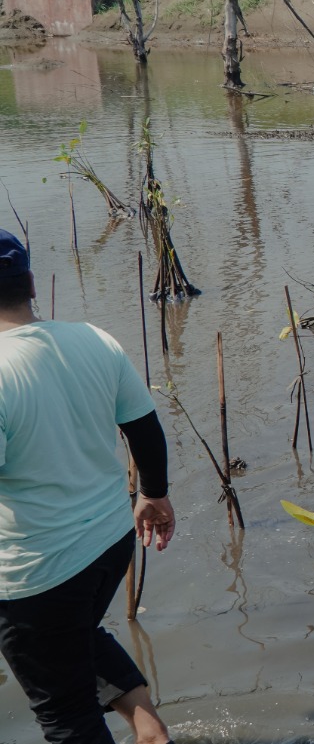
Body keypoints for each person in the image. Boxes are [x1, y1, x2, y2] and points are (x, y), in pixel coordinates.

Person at [0, 227, 176, 744]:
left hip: (37, 570)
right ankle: (149, 728)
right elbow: (144, 425)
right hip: (108, 543)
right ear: (31, 283)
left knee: (67, 717)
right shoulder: (94, 338)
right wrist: (153, 493)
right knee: (75, 634)